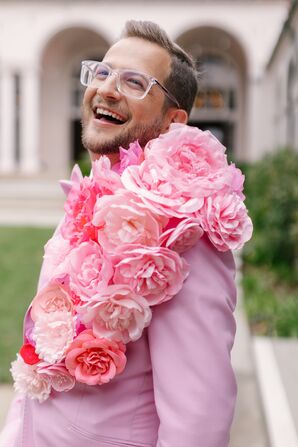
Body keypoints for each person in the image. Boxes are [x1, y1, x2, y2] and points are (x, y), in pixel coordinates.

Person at [1, 20, 238, 447]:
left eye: (134, 82)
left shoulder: (182, 237)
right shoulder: (85, 201)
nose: (107, 88)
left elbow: (198, 426)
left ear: (173, 121)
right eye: (102, 72)